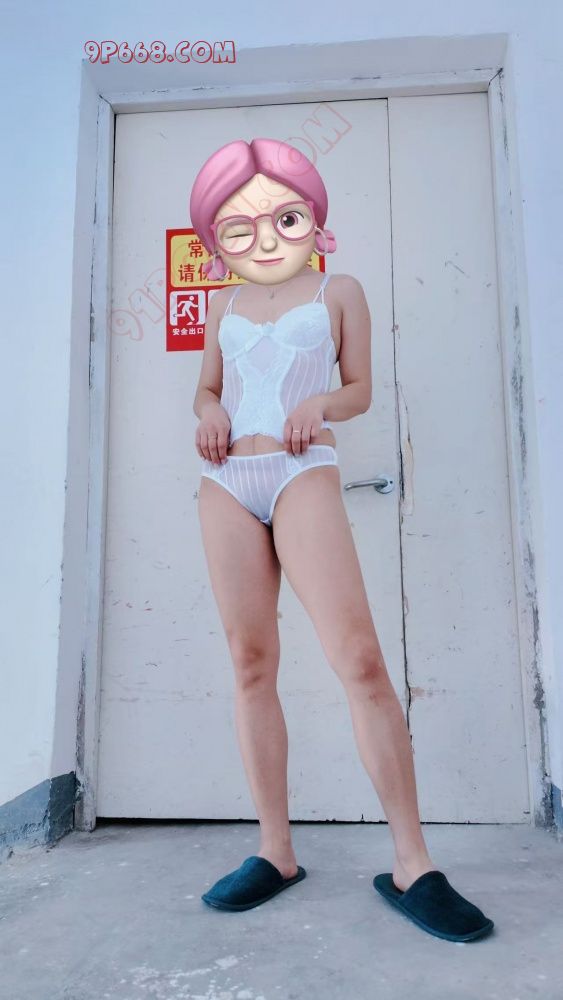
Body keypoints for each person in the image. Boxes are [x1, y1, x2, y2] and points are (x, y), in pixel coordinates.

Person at [189, 137, 494, 941]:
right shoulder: (223, 303)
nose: (263, 236)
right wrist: (209, 413)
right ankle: (275, 852)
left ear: (310, 216)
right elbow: (206, 388)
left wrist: (320, 404)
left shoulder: (339, 289)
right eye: (239, 225)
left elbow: (358, 389)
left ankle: (412, 863)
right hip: (224, 482)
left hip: (302, 472)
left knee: (358, 660)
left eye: (282, 217)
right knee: (250, 663)